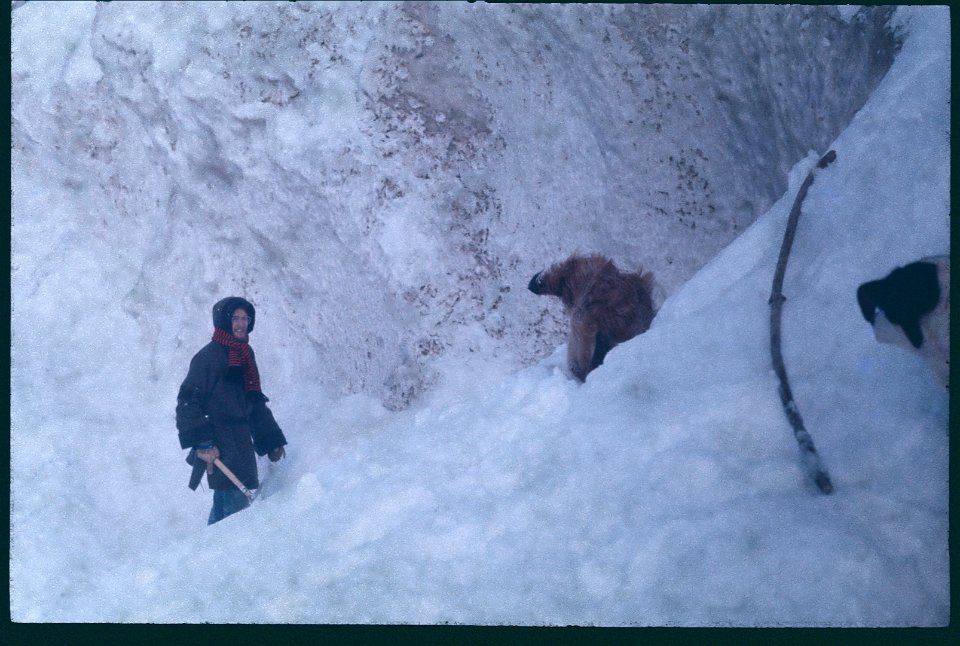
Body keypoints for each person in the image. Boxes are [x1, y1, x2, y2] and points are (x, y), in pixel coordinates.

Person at [176, 296, 287, 524]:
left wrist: (271, 440)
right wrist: (203, 443)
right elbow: (187, 401)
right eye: (235, 318)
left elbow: (254, 401)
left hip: (241, 439)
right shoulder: (207, 357)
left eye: (245, 318)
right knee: (235, 501)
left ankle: (208, 552)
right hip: (219, 441)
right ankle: (228, 553)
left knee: (228, 501)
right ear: (223, 321)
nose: (240, 324)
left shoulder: (245, 354)